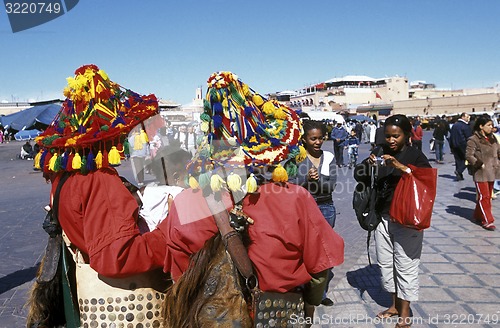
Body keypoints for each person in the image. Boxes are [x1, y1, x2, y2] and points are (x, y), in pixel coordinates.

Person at [158, 72, 344, 327]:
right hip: (277, 316)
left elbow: (177, 273)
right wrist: (310, 304)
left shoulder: (184, 204)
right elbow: (320, 266)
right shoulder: (294, 198)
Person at [27, 65, 169, 328]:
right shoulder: (99, 181)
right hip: (122, 307)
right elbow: (117, 256)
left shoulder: (66, 176)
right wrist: (170, 235)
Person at [354, 114, 431, 328]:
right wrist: (367, 165)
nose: (391, 140)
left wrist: (402, 167)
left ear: (406, 135)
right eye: (387, 136)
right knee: (387, 264)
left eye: (395, 136)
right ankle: (394, 305)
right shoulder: (379, 151)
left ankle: (405, 313)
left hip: (407, 220)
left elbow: (426, 181)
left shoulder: (415, 155)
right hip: (383, 218)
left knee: (405, 264)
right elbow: (358, 175)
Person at [286, 119, 338, 307]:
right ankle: (300, 288)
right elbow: (291, 184)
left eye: (320, 138)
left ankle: (320, 293)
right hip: (303, 208)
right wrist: (306, 178)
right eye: (312, 139)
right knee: (302, 250)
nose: (317, 142)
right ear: (304, 140)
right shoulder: (298, 158)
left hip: (325, 208)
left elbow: (331, 186)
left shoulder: (330, 158)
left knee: (322, 252)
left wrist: (318, 180)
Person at [465, 115, 500, 231]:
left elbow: (498, 151)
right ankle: (487, 220)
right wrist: (479, 164)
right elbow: (469, 155)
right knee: (484, 196)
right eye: (488, 125)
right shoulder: (473, 139)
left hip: (493, 170)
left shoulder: (492, 138)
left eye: (492, 125)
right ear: (481, 126)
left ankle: (477, 215)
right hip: (481, 172)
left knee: (487, 195)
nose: (491, 127)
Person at [449, 112, 472, 181]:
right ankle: (459, 171)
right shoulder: (465, 126)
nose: (468, 119)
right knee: (467, 159)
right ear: (463, 117)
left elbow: (451, 136)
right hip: (463, 145)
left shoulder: (455, 125)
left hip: (454, 145)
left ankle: (459, 175)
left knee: (458, 160)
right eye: (467, 117)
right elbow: (468, 137)